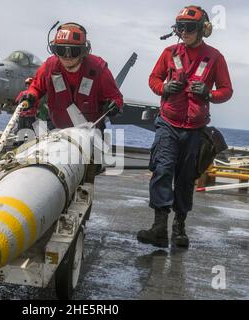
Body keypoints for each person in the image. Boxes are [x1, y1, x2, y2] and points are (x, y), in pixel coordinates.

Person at [137, 6, 233, 248]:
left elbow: (226, 90)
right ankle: (159, 226)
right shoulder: (170, 52)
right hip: (168, 123)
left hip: (194, 128)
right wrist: (164, 88)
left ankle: (179, 226)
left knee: (185, 178)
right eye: (180, 27)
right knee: (162, 169)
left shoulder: (215, 57)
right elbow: (154, 78)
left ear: (202, 29)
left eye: (189, 27)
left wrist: (209, 94)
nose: (184, 31)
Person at [20, 22, 123, 131]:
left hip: (91, 133)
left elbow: (116, 98)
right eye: (61, 50)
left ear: (83, 51)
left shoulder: (99, 70)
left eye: (73, 51)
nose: (67, 56)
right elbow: (36, 87)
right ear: (54, 50)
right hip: (57, 131)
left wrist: (114, 106)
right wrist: (31, 96)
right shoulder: (49, 67)